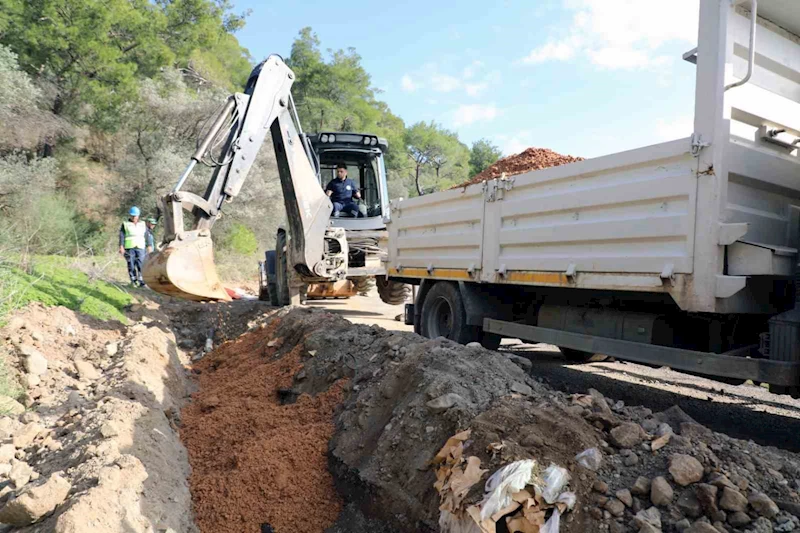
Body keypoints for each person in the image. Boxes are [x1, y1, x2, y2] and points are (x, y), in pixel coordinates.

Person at [119, 206, 147, 287]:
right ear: (130, 215)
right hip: (129, 247)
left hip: (140, 247)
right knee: (131, 264)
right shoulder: (125, 224)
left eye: (135, 216)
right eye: (132, 215)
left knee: (141, 264)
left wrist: (149, 246)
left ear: (138, 216)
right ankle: (133, 281)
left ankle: (142, 282)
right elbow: (122, 236)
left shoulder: (143, 224)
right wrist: (121, 246)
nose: (134, 217)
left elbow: (147, 236)